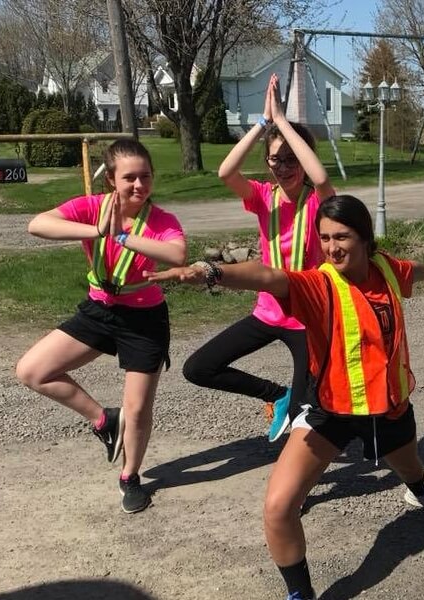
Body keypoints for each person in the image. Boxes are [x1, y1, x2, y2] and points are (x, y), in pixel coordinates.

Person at [147, 194, 424, 600]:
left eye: (342, 237)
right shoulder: (319, 284)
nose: (332, 247)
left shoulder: (385, 268)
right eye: (325, 238)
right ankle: (300, 594)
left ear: (366, 239)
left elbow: (411, 270)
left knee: (410, 464)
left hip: (390, 406)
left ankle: (419, 491)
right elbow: (266, 276)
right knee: (278, 506)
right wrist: (210, 271)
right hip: (332, 409)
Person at [15, 139, 187, 514]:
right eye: (130, 178)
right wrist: (95, 231)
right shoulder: (91, 208)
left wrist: (123, 237)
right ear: (111, 179)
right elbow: (37, 225)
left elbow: (177, 254)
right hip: (99, 310)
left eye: (146, 176)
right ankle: (103, 419)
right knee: (32, 370)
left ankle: (131, 476)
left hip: (144, 319)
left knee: (138, 409)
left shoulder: (161, 220)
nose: (139, 185)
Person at [182, 73, 335, 442]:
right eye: (274, 161)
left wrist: (283, 121)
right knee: (198, 368)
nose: (282, 168)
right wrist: (264, 123)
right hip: (267, 313)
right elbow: (225, 172)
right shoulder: (262, 197)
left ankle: (296, 485)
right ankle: (276, 395)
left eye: (289, 159)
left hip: (306, 319)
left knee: (304, 419)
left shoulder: (317, 201)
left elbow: (320, 175)